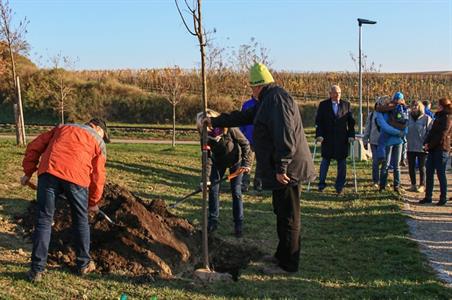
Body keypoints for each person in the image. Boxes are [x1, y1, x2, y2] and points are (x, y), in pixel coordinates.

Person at [203, 63, 315, 274]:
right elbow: (243, 117)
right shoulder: (268, 100)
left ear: (258, 86)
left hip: (289, 169)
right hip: (282, 168)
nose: (251, 92)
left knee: (290, 217)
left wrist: (282, 167)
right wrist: (215, 120)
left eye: (251, 88)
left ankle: (289, 264)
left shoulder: (277, 100)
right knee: (281, 212)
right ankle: (280, 256)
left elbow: (286, 135)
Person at [20, 118, 109, 282]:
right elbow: (98, 176)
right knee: (81, 220)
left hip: (48, 173)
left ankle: (36, 270)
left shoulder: (62, 128)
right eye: (104, 135)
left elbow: (34, 146)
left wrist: (28, 172)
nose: (104, 139)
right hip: (77, 179)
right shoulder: (98, 141)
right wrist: (93, 202)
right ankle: (83, 264)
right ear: (96, 127)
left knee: (44, 220)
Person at [196, 110, 251, 238]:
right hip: (218, 162)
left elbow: (245, 144)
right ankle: (213, 222)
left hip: (235, 162)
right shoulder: (204, 137)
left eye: (206, 126)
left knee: (236, 192)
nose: (205, 130)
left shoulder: (229, 128)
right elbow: (207, 158)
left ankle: (238, 224)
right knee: (213, 190)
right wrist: (206, 179)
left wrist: (246, 164)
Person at [315, 85, 356, 195]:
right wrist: (319, 135)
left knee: (342, 163)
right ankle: (321, 184)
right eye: (335, 93)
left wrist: (351, 135)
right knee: (325, 162)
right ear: (330, 93)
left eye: (339, 92)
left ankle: (339, 186)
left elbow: (351, 123)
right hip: (327, 139)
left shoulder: (346, 105)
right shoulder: (323, 105)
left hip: (341, 139)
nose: (338, 95)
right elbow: (319, 122)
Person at [419, 98, 451, 205]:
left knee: (441, 173)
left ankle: (443, 197)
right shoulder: (438, 116)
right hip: (433, 148)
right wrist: (426, 142)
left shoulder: (447, 118)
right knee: (429, 172)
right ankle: (428, 196)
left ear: (442, 106)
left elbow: (442, 135)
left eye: (438, 104)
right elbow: (432, 131)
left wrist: (430, 145)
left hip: (442, 149)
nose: (436, 106)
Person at [375, 96, 408, 193]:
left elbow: (405, 122)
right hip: (392, 140)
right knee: (387, 165)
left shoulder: (396, 109)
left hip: (395, 141)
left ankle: (395, 185)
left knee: (394, 165)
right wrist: (399, 133)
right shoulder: (382, 112)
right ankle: (383, 186)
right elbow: (384, 126)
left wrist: (403, 132)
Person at [406, 100, 433, 193]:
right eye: (413, 105)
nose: (414, 107)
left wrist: (427, 142)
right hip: (410, 145)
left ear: (420, 107)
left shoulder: (426, 118)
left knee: (422, 167)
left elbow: (430, 131)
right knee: (411, 166)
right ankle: (413, 184)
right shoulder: (408, 117)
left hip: (422, 145)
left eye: (416, 105)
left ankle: (422, 185)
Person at [239, 96, 262, 193]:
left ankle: (259, 184)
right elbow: (241, 121)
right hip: (248, 140)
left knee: (261, 164)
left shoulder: (265, 104)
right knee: (247, 163)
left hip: (262, 139)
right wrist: (241, 135)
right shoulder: (247, 104)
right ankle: (244, 184)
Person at [363, 98, 384, 188]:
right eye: (378, 104)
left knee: (384, 162)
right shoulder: (371, 115)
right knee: (375, 161)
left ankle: (383, 181)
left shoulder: (388, 115)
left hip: (385, 142)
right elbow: (367, 128)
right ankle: (375, 180)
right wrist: (365, 140)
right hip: (374, 141)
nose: (380, 106)